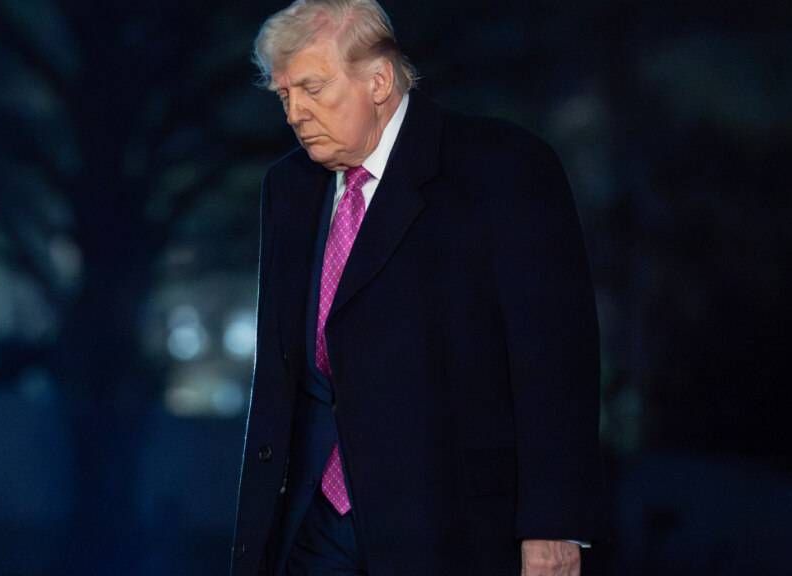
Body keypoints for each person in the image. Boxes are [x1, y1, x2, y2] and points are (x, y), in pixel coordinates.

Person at [230, 1, 604, 574]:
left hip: (452, 526)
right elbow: (286, 373)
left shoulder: (501, 168)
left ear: (378, 80)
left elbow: (554, 360)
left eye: (311, 88)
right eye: (284, 96)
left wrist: (552, 526)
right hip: (311, 523)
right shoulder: (288, 187)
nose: (295, 113)